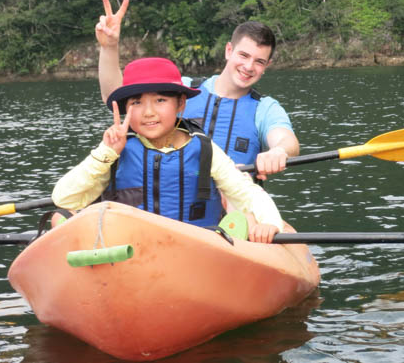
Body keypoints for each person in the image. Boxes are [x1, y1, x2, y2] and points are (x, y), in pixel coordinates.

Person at [52, 57, 283, 243]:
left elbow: (246, 193)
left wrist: (270, 223)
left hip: (196, 251)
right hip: (129, 253)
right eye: (137, 103)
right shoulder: (115, 149)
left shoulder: (204, 149)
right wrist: (106, 152)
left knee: (247, 216)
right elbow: (64, 197)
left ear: (181, 104)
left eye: (160, 100)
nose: (148, 112)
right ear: (126, 109)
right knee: (58, 217)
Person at [95, 0, 299, 177]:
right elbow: (114, 96)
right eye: (243, 55)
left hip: (230, 210)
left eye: (259, 61)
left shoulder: (265, 108)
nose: (248, 66)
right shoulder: (182, 88)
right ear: (229, 50)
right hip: (167, 200)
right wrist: (109, 47)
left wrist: (278, 152)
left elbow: (286, 140)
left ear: (267, 66)